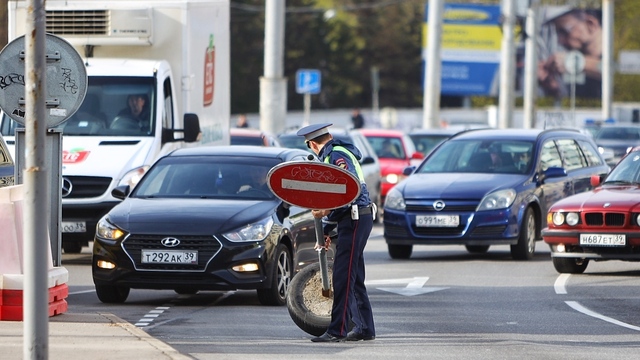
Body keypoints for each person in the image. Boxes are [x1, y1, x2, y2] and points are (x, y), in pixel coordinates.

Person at [297, 122, 375, 343]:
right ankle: (364, 327)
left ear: (312, 144)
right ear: (329, 136)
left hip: (355, 217)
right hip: (355, 218)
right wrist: (328, 227)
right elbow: (339, 194)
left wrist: (327, 212)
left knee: (343, 276)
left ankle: (337, 331)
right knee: (355, 276)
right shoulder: (337, 152)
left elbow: (348, 189)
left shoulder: (335, 155)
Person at [538, 7, 602, 99]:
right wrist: (551, 85)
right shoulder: (582, 73)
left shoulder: (618, 46)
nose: (560, 40)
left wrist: (573, 62)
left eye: (564, 31)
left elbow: (616, 70)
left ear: (590, 24)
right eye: (557, 33)